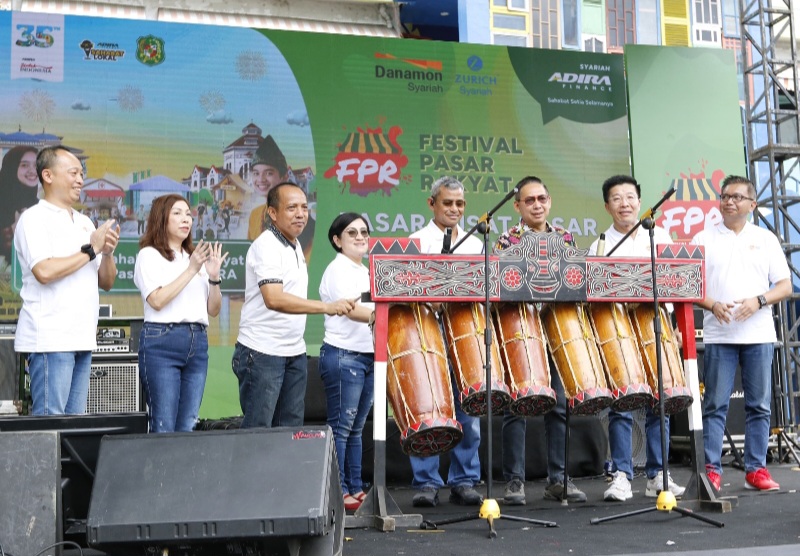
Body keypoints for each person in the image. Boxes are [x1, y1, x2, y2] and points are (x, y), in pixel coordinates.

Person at [587, 174, 685, 501]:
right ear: (607, 206)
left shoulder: (657, 237)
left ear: (640, 203)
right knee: (622, 406)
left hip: (654, 325)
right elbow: (594, 293)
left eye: (630, 197)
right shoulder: (600, 245)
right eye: (617, 198)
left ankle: (658, 475)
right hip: (618, 331)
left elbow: (673, 283)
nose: (624, 203)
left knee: (661, 402)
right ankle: (622, 476)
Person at [692, 175, 791, 492]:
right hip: (720, 335)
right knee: (715, 405)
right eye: (724, 196)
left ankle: (756, 470)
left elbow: (785, 286)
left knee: (759, 406)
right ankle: (711, 470)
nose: (729, 201)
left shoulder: (765, 239)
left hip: (759, 334)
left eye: (736, 197)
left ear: (752, 204)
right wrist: (711, 304)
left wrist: (758, 301)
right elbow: (688, 286)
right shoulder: (702, 238)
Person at [494, 176, 586, 504]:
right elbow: (501, 288)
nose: (537, 205)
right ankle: (514, 482)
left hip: (554, 330)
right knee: (516, 407)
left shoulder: (564, 238)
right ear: (517, 206)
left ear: (550, 202)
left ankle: (559, 480)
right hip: (519, 331)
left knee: (560, 406)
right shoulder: (507, 241)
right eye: (529, 200)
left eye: (542, 199)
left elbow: (576, 282)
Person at [233, 182, 355, 428]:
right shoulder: (266, 246)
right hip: (262, 352)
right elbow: (274, 298)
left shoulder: (295, 243)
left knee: (290, 434)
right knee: (258, 433)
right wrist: (327, 307)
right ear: (272, 213)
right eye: (291, 208)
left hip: (293, 353)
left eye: (304, 207)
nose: (301, 214)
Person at [13, 146, 119, 415]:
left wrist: (106, 254)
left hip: (82, 338)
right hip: (51, 340)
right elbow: (44, 272)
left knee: (74, 431)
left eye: (82, 174)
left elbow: (105, 282)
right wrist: (91, 250)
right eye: (73, 172)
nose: (80, 180)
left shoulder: (84, 222)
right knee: (50, 428)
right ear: (47, 175)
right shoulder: (33, 218)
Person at [409, 176, 484, 508]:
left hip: (465, 337)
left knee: (469, 410)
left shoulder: (474, 243)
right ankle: (426, 482)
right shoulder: (416, 242)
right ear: (431, 204)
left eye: (460, 204)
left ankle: (464, 480)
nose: (454, 209)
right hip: (427, 335)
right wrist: (429, 299)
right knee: (429, 409)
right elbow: (406, 292)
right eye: (447, 203)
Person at [133, 194, 228, 433]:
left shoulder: (193, 256)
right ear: (160, 218)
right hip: (162, 340)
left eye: (188, 214)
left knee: (188, 424)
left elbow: (213, 310)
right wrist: (191, 270)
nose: (186, 219)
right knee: (163, 424)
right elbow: (157, 300)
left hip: (197, 342)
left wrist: (214, 278)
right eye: (177, 213)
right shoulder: (149, 255)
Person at [319, 212, 375, 512]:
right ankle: (337, 491)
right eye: (352, 233)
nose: (360, 237)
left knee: (356, 428)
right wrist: (384, 317)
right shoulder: (337, 269)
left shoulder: (366, 270)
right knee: (341, 428)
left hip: (368, 355)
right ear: (337, 240)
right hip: (344, 355)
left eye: (364, 232)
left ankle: (355, 487)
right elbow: (350, 310)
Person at [247, 136, 314, 258]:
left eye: (269, 173)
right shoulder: (255, 215)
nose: (261, 179)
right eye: (256, 173)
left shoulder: (300, 218)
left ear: (284, 177)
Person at [0, 146, 39, 263]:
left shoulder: (40, 207)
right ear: (12, 167)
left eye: (36, 165)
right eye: (24, 165)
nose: (33, 171)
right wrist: (11, 231)